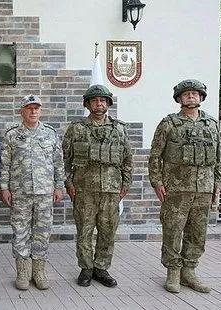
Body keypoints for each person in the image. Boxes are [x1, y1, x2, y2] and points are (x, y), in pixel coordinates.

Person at [148, 79, 220, 294]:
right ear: (179, 98)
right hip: (176, 189)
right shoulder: (168, 124)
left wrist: (217, 184)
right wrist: (157, 182)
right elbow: (155, 156)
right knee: (172, 230)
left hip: (204, 189)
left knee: (197, 233)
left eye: (195, 94)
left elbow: (218, 158)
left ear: (201, 98)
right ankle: (172, 272)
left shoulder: (212, 125)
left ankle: (189, 271)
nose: (191, 96)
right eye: (186, 94)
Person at [62, 84, 133, 288]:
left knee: (108, 230)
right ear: (88, 104)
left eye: (103, 100)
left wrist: (126, 183)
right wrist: (68, 182)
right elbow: (65, 159)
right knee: (84, 230)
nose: (99, 103)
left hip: (112, 189)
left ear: (108, 104)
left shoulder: (119, 129)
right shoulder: (76, 129)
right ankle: (86, 268)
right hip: (84, 189)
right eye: (95, 100)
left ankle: (101, 268)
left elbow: (127, 159)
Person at [0, 95, 64, 290]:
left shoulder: (50, 134)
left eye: (37, 108)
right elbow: (5, 164)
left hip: (45, 192)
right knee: (20, 231)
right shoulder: (12, 135)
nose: (33, 111)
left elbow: (58, 162)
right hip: (20, 192)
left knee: (42, 232)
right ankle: (23, 272)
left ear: (41, 111)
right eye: (29, 108)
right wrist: (4, 187)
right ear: (22, 111)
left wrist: (59, 185)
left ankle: (39, 271)